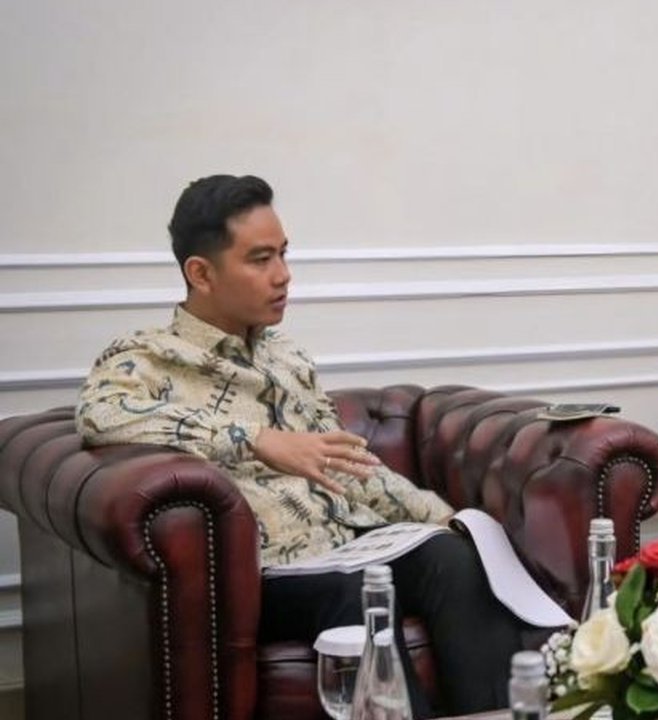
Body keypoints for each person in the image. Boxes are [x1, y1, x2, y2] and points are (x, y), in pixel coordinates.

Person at [75, 174, 527, 716]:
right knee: (355, 591)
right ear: (201, 273)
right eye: (260, 259)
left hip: (344, 544)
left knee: (453, 558)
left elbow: (349, 463)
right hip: (261, 573)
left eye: (283, 254)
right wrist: (256, 439)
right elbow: (100, 415)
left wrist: (442, 515)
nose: (283, 275)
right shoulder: (146, 358)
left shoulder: (287, 357)